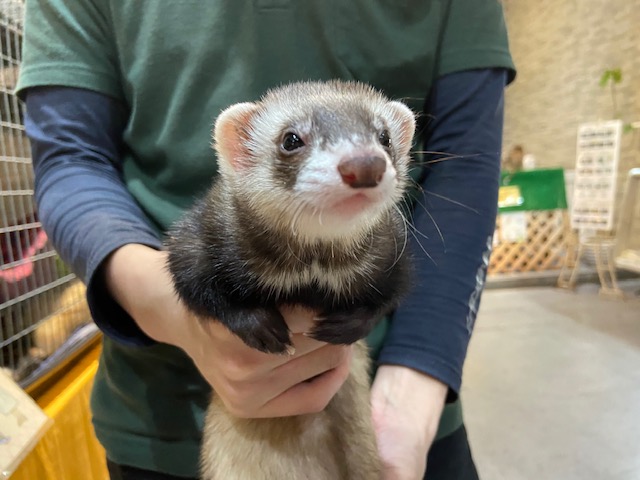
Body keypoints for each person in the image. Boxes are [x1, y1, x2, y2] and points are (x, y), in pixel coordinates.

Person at [17, 1, 515, 478]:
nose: (364, 163)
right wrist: (190, 320)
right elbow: (70, 160)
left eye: (383, 141)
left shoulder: (382, 247)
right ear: (241, 153)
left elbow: (464, 172)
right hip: (168, 418)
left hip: (392, 416)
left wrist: (411, 394)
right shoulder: (214, 241)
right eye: (293, 144)